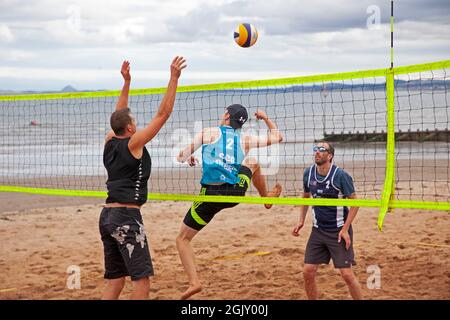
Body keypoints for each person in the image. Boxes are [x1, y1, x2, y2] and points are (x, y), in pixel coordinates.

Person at [99, 57, 186, 300]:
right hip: (126, 217)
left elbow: (119, 114)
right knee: (141, 279)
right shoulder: (133, 143)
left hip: (106, 217)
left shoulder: (109, 141)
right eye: (134, 122)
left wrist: (126, 83)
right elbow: (163, 114)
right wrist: (173, 79)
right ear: (129, 129)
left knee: (115, 280)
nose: (136, 124)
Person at [176, 104, 283, 299]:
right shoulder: (245, 139)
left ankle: (194, 283)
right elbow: (278, 138)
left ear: (227, 116)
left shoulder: (208, 132)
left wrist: (190, 158)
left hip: (210, 196)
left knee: (182, 239)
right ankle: (265, 198)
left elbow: (180, 157)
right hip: (234, 193)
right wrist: (266, 118)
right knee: (252, 162)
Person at [292, 141, 363, 300]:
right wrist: (301, 220)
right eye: (315, 149)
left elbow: (355, 203)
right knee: (307, 271)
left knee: (346, 274)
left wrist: (345, 229)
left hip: (338, 231)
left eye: (321, 149)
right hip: (318, 230)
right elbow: (305, 198)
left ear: (329, 156)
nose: (317, 152)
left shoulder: (340, 176)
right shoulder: (308, 173)